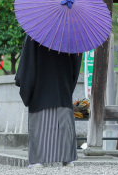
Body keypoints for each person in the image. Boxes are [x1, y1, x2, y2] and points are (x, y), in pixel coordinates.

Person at [14, 35, 83, 167]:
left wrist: (23, 82)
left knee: (41, 124)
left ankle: (39, 159)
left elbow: (28, 62)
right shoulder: (71, 34)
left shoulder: (36, 33)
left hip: (41, 87)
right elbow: (76, 62)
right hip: (63, 86)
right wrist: (70, 84)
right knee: (64, 120)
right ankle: (67, 158)